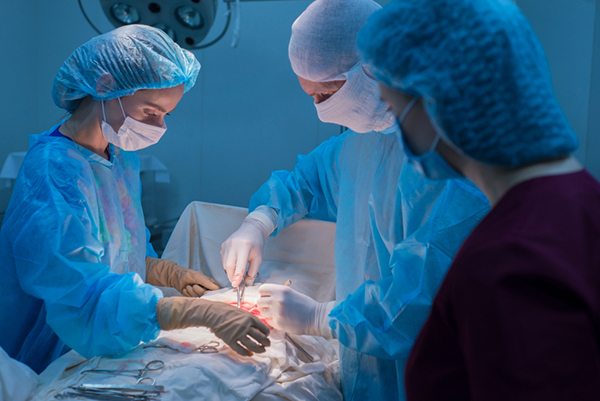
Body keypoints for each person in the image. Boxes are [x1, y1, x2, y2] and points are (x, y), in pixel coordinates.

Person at [220, 0, 489, 399]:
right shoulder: (364, 139)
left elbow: (414, 305)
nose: (320, 110)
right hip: (363, 367)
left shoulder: (453, 158)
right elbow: (306, 179)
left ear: (371, 68)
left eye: (325, 94)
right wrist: (259, 221)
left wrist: (318, 317)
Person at [358, 0, 600, 399]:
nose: (396, 131)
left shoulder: (511, 262)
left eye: (392, 108)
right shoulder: (582, 201)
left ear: (435, 102)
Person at [0, 25, 270, 374]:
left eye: (165, 116)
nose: (159, 127)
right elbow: (76, 292)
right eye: (150, 113)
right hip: (54, 351)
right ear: (105, 86)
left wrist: (165, 272)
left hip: (112, 335)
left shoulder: (120, 158)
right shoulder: (53, 173)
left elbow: (115, 248)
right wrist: (192, 312)